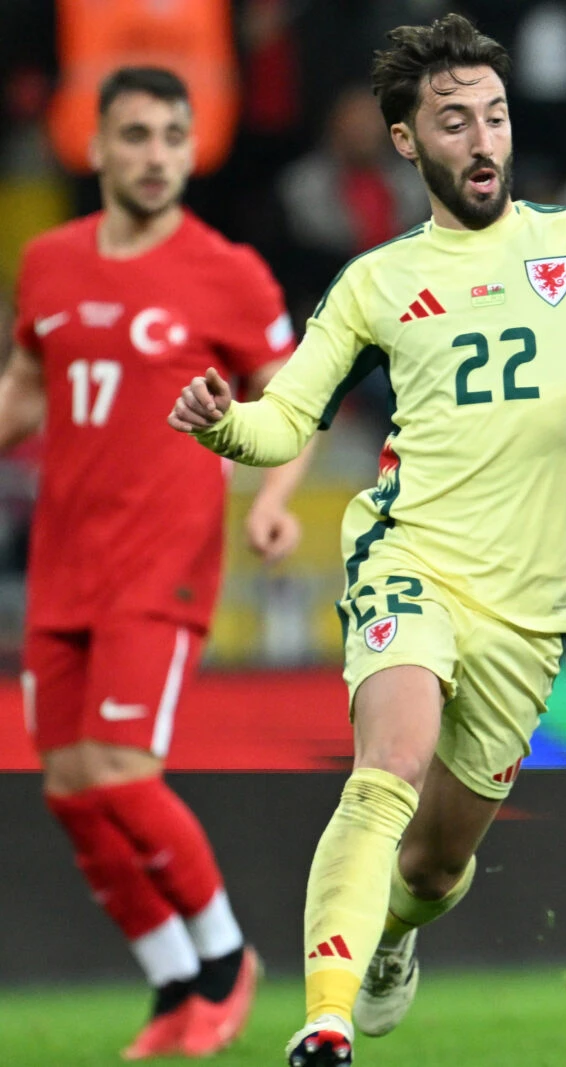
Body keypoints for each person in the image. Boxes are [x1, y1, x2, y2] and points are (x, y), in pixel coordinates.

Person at [166, 15, 566, 1066]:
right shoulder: (375, 285)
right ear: (407, 142)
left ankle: (390, 939)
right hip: (411, 561)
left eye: (493, 116)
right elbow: (278, 425)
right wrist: (220, 419)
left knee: (435, 865)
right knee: (384, 766)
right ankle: (326, 1021)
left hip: (529, 609)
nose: (482, 140)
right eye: (453, 122)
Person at [1, 67, 308, 1059]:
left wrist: (269, 496)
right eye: (134, 135)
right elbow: (25, 385)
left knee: (125, 772)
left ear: (192, 150)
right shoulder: (46, 262)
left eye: (172, 136)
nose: (154, 155)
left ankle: (226, 960)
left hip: (160, 559)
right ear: (94, 148)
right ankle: (173, 980)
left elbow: (291, 397)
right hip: (61, 562)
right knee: (70, 789)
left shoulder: (228, 272)